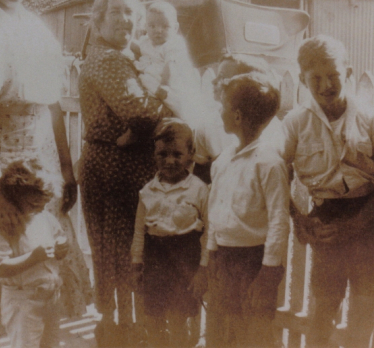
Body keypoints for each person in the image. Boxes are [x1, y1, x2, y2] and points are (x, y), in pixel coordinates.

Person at [0, 0, 92, 346]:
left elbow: (53, 103)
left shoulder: (37, 27)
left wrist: (65, 167)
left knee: (48, 253)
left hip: (40, 159)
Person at [78, 0, 172, 347]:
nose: (126, 19)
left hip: (121, 167)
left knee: (123, 253)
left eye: (131, 12)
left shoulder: (127, 56)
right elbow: (141, 110)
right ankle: (123, 333)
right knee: (123, 251)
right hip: (113, 169)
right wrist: (179, 105)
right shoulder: (108, 60)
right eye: (116, 12)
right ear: (98, 20)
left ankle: (125, 329)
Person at [282, 35, 374, 348]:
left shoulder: (368, 118)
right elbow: (276, 175)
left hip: (368, 218)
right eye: (315, 78)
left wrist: (361, 222)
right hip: (326, 220)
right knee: (323, 308)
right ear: (302, 80)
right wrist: (299, 219)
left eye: (333, 76)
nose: (325, 86)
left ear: (348, 73)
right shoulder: (295, 123)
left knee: (365, 308)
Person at [206, 71, 290, 347]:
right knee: (222, 330)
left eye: (223, 107)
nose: (219, 112)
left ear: (238, 116)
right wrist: (211, 254)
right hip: (225, 258)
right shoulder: (223, 161)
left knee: (254, 333)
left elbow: (279, 221)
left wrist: (268, 272)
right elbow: (215, 211)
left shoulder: (268, 163)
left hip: (255, 262)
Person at [131, 118, 209, 348]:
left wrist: (203, 270)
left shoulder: (198, 189)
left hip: (185, 260)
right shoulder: (147, 192)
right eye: (162, 154)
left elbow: (209, 232)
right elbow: (139, 232)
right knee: (153, 319)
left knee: (178, 320)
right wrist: (136, 265)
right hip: (155, 260)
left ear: (191, 153)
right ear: (154, 155)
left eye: (177, 154)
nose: (170, 161)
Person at [0, 158, 69, 348]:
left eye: (44, 205)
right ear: (13, 197)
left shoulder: (45, 218)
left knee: (51, 343)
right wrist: (33, 257)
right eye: (33, 205)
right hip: (22, 302)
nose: (40, 210)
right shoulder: (4, 228)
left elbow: (59, 242)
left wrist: (62, 248)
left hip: (51, 296)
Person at [118, 1, 200, 147]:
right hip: (151, 77)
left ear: (175, 28)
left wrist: (164, 85)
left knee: (179, 110)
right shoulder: (146, 41)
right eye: (152, 26)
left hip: (169, 81)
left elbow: (171, 65)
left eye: (165, 26)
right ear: (146, 27)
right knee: (141, 97)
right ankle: (136, 130)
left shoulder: (173, 44)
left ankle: (139, 132)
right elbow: (137, 47)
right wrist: (126, 40)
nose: (158, 30)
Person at [194, 53, 283, 183]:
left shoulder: (270, 125)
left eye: (222, 78)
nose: (213, 81)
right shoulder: (206, 125)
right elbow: (200, 176)